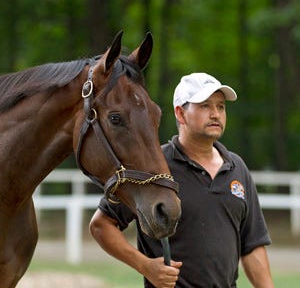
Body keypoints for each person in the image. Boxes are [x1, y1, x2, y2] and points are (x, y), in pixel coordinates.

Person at [90, 72, 274, 287]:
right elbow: (101, 224)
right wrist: (145, 266)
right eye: (205, 106)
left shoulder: (237, 168)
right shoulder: (153, 167)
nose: (215, 114)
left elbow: (252, 245)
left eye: (220, 106)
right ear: (180, 113)